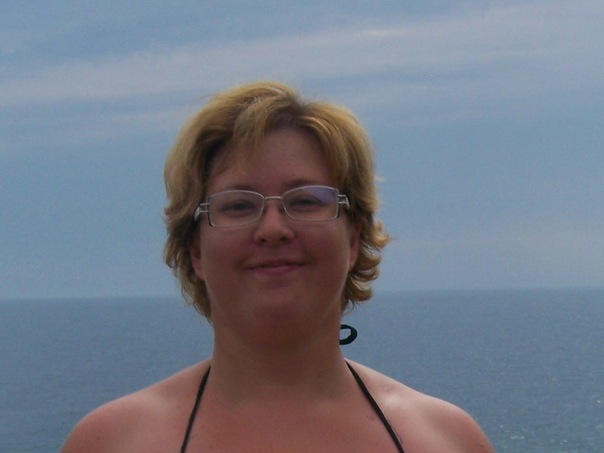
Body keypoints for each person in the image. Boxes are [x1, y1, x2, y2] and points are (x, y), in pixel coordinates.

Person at [61, 81, 494, 452]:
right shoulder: (111, 442)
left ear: (353, 238)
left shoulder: (446, 440)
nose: (272, 229)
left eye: (305, 200)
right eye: (238, 205)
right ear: (195, 250)